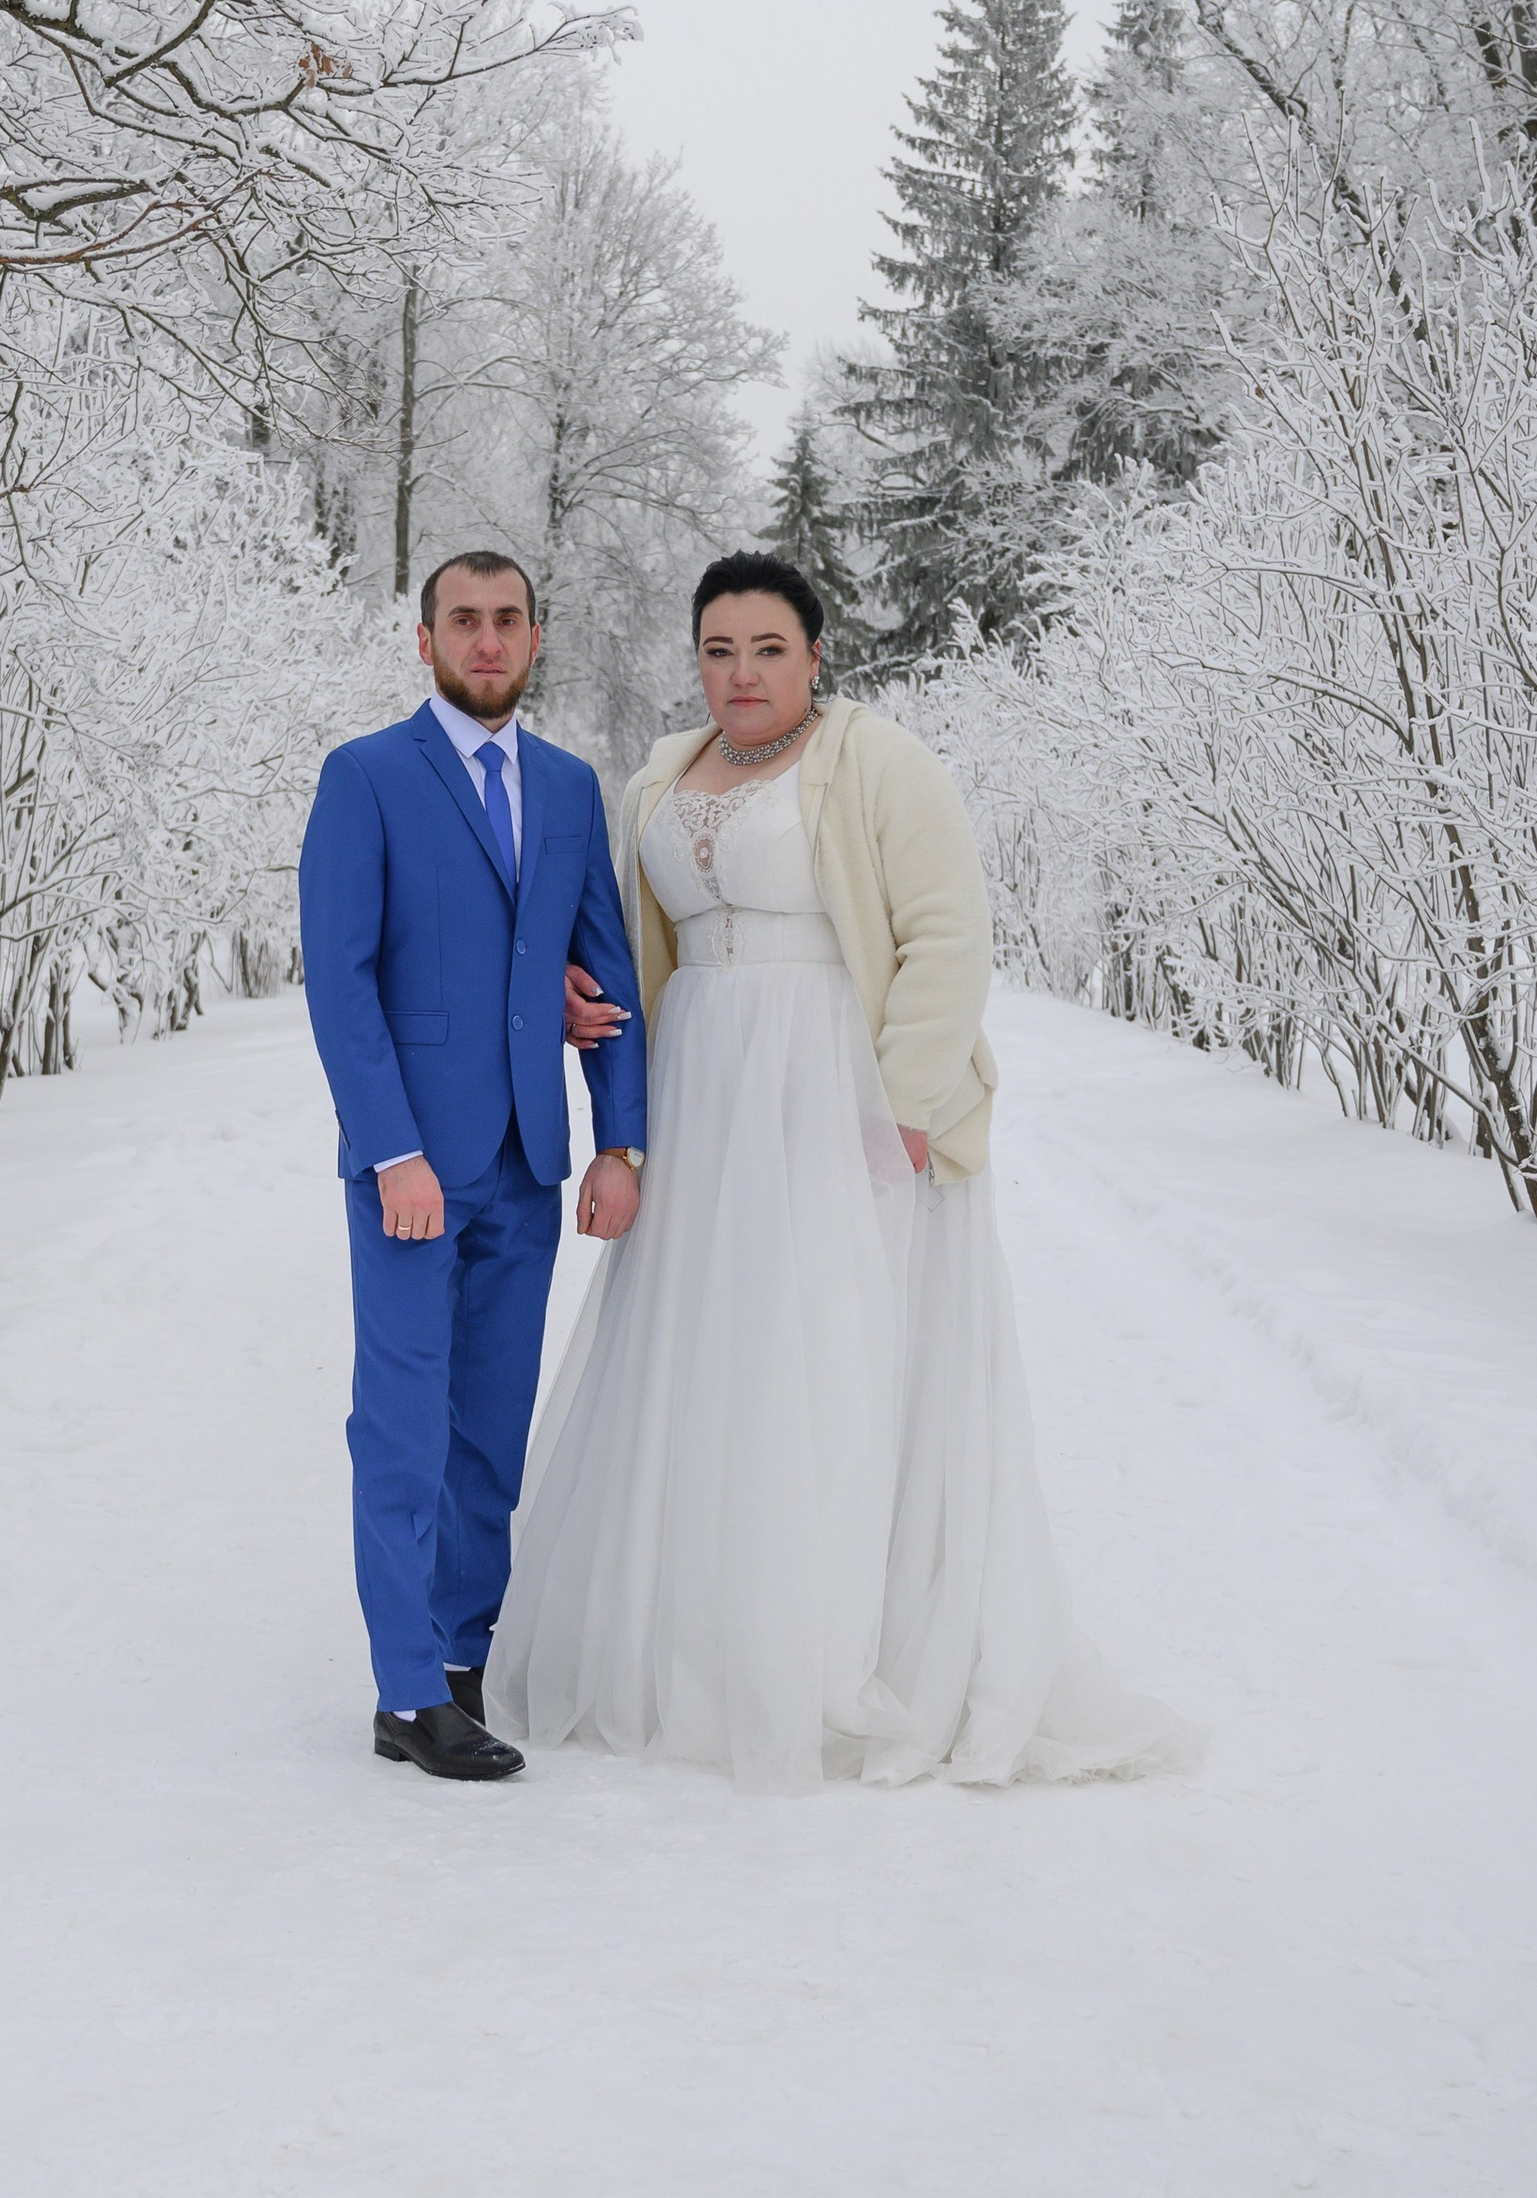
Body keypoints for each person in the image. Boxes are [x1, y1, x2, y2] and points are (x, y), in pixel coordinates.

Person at [485, 552, 1199, 1794]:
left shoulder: (876, 758)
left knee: (829, 1350)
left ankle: (831, 1647)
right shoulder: (660, 773)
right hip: (705, 1088)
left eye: (767, 647)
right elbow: (628, 935)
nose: (741, 673)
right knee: (709, 1352)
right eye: (718, 649)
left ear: (816, 654)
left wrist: (905, 1105)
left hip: (837, 1087)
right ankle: (699, 1644)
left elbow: (946, 934)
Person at [298, 552, 650, 1781]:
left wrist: (620, 1138)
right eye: (464, 621)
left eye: (507, 621)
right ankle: (404, 1693)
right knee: (400, 1423)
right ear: (425, 638)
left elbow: (598, 976)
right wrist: (391, 1148)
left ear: (537, 637)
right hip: (411, 1163)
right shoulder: (367, 778)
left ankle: (463, 1653)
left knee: (489, 1430)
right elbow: (339, 980)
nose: (486, 641)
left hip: (525, 1162)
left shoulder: (565, 787)